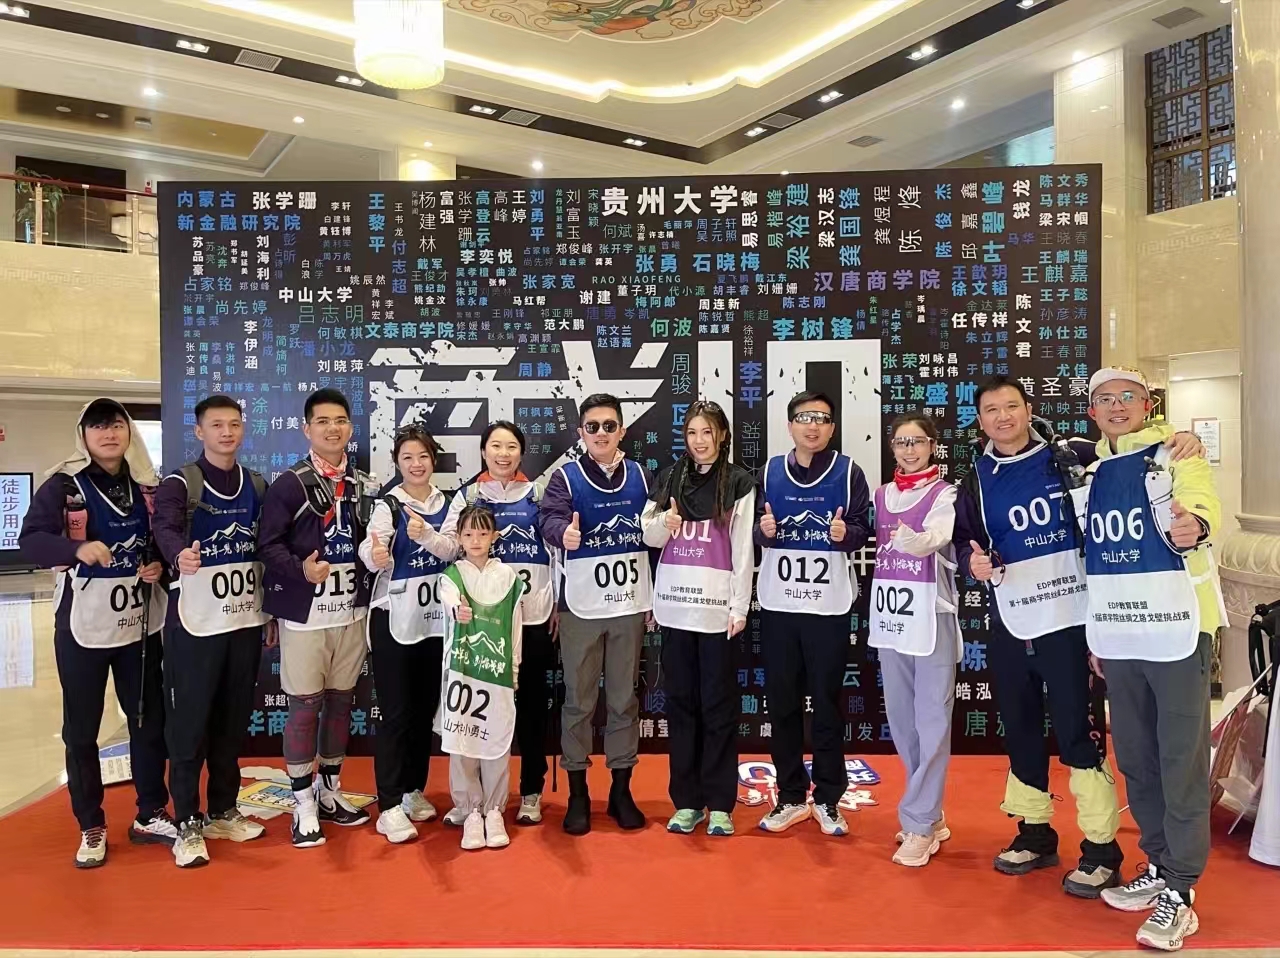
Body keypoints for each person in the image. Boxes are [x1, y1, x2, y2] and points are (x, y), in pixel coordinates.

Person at [954, 375, 1202, 898]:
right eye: (992, 410)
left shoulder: (1074, 456)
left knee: (1077, 733)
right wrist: (973, 563)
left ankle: (1100, 849)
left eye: (1012, 406)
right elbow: (965, 541)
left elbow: (1129, 451)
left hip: (1073, 619)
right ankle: (1035, 833)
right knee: (1020, 728)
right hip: (1012, 619)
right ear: (980, 420)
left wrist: (1181, 438)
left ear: (1029, 409)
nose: (1003, 417)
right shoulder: (974, 477)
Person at [1081, 367, 1223, 952]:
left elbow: (1202, 506)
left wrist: (1196, 525)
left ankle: (1182, 889)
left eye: (1128, 397)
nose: (1117, 406)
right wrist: (1096, 635)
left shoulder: (1176, 453)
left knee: (1179, 759)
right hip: (1121, 634)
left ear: (1147, 404)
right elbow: (1092, 557)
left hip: (1178, 628)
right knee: (1137, 758)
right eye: (1105, 399)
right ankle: (1160, 864)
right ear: (1092, 411)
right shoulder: (1091, 471)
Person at [18, 398, 175, 867]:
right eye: (98, 426)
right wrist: (76, 549)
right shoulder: (64, 486)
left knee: (147, 720)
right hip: (82, 625)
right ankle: (91, 824)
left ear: (129, 433)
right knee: (82, 729)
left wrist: (158, 566)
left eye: (117, 425)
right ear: (83, 435)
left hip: (139, 624)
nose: (109, 434)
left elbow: (163, 542)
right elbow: (31, 540)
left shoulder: (146, 485)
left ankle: (151, 812)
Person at [151, 394, 269, 868]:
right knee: (188, 726)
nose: (226, 432)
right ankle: (186, 821)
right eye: (216, 425)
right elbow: (163, 527)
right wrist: (177, 553)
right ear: (199, 431)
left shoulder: (256, 484)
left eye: (234, 424)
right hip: (194, 625)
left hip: (243, 621)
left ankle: (222, 809)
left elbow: (268, 547)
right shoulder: (181, 483)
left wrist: (273, 612)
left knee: (231, 722)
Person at [258, 388, 378, 848]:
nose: (333, 428)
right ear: (306, 429)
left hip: (352, 612)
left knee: (341, 703)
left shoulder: (364, 484)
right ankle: (302, 801)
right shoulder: (290, 484)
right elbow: (267, 544)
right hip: (307, 616)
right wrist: (300, 570)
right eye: (323, 421)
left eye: (340, 420)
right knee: (305, 706)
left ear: (350, 427)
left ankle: (330, 790)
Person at [754, 390, 870, 838]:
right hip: (780, 606)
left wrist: (845, 534)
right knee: (782, 703)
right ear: (790, 426)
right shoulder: (768, 472)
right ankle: (789, 794)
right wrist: (764, 532)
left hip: (828, 607)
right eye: (804, 417)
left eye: (821, 418)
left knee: (826, 703)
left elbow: (863, 529)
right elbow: (750, 530)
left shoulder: (849, 472)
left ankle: (827, 797)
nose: (813, 426)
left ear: (832, 427)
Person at [539, 393, 652, 834]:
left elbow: (656, 533)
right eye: (592, 427)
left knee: (624, 699)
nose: (601, 433)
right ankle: (578, 793)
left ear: (622, 430)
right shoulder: (565, 477)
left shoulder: (641, 475)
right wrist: (560, 533)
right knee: (579, 701)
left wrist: (654, 599)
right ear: (580, 433)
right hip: (581, 607)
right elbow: (548, 519)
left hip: (628, 604)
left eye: (609, 425)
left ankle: (621, 790)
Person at [642, 400, 755, 837]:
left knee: (719, 706)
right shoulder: (670, 477)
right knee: (681, 705)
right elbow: (648, 534)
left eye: (707, 432)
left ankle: (721, 803)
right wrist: (666, 522)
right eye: (692, 432)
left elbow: (743, 550)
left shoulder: (739, 482)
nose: (699, 441)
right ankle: (687, 802)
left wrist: (739, 607)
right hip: (675, 608)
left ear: (722, 435)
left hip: (716, 612)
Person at [441, 422, 554, 828]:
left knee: (531, 709)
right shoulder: (469, 496)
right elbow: (447, 545)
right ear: (483, 452)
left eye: (511, 447)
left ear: (521, 452)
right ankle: (475, 802)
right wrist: (420, 537)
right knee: (477, 712)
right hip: (480, 625)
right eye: (495, 446)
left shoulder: (539, 493)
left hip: (533, 616)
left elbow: (557, 550)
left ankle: (531, 791)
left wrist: (558, 601)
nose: (503, 454)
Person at [358, 424, 459, 844]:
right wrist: (376, 554)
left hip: (434, 621)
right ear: (397, 463)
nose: (416, 465)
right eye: (407, 458)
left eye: (422, 457)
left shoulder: (449, 503)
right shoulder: (388, 504)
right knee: (396, 713)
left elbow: (453, 549)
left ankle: (413, 789)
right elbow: (370, 549)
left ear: (433, 460)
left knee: (422, 710)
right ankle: (388, 805)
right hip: (394, 621)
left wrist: (427, 536)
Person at [868, 414, 961, 867]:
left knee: (932, 721)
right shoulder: (882, 494)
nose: (910, 450)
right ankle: (930, 814)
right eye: (902, 442)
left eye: (918, 442)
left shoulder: (946, 493)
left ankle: (920, 823)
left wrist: (916, 539)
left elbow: (938, 537)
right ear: (892, 447)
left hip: (931, 618)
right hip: (891, 619)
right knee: (903, 722)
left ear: (932, 446)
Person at [438, 504, 524, 851]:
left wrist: (514, 669)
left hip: (497, 675)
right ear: (459, 538)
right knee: (463, 743)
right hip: (462, 674)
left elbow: (515, 626)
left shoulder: (508, 577)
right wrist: (456, 609)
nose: (476, 540)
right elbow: (447, 599)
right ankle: (470, 810)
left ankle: (494, 810)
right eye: (469, 534)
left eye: (483, 533)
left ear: (495, 537)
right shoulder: (451, 575)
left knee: (496, 743)